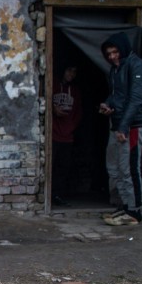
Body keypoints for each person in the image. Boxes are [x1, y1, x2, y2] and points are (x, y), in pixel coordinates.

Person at [98, 31, 142, 226]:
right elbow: (117, 95)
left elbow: (136, 99)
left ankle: (134, 211)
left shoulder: (137, 66)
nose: (112, 56)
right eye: (109, 53)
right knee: (115, 168)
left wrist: (124, 126)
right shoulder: (116, 69)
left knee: (129, 168)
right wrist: (108, 104)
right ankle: (124, 206)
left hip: (133, 125)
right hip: (118, 123)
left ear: (123, 49)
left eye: (115, 52)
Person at [51, 64, 82, 206]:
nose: (72, 74)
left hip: (67, 136)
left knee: (63, 168)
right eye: (69, 69)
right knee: (52, 165)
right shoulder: (52, 86)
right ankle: (49, 195)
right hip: (53, 135)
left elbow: (78, 113)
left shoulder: (75, 91)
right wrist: (53, 108)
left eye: (74, 71)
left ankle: (58, 195)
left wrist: (71, 127)